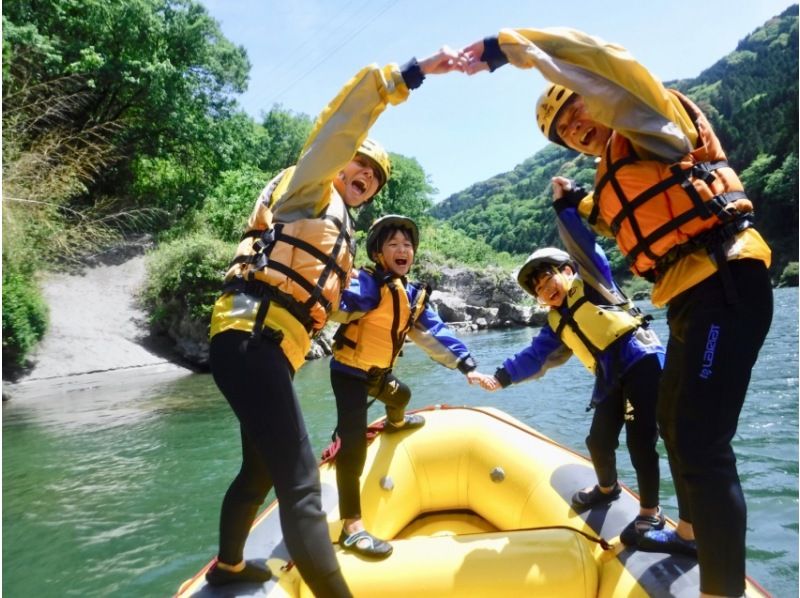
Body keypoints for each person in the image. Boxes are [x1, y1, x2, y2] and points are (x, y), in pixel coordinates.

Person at [459, 28, 773, 597]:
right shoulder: (613, 171)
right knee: (677, 429)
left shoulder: (649, 119)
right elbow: (610, 218)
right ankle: (690, 532)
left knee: (700, 440)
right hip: (691, 298)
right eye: (564, 133)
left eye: (575, 108)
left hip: (727, 280)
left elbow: (608, 61)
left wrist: (514, 47)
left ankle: (718, 588)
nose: (575, 128)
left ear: (595, 94)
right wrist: (568, 201)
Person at [205, 48, 462, 595]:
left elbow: (337, 296)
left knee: (259, 471)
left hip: (256, 344)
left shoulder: (336, 232)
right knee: (300, 485)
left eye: (377, 176)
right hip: (253, 338)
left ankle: (228, 566)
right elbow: (340, 126)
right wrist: (405, 77)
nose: (367, 175)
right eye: (360, 163)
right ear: (340, 162)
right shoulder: (309, 189)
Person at [470, 177, 666, 546]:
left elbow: (583, 242)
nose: (547, 289)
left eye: (548, 279)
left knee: (641, 442)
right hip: (610, 376)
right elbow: (533, 358)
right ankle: (608, 489)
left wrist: (564, 207)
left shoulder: (592, 277)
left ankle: (650, 515)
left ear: (567, 272)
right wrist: (500, 377)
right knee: (598, 440)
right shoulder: (556, 324)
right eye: (539, 290)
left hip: (641, 361)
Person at [329, 214, 483, 559]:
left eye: (407, 245)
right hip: (349, 373)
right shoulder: (367, 285)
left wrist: (466, 365)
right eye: (394, 245)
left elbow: (436, 335)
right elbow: (336, 306)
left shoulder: (412, 296)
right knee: (353, 445)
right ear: (379, 254)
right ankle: (351, 528)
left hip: (379, 374)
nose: (403, 250)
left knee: (404, 397)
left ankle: (395, 421)